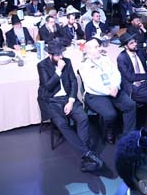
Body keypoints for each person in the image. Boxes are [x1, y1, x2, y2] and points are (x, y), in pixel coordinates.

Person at [37, 41, 104, 172]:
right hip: (52, 100)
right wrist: (58, 71)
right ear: (50, 55)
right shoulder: (42, 65)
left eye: (61, 53)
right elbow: (48, 86)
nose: (61, 57)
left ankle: (86, 156)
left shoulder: (67, 61)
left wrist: (71, 101)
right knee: (62, 124)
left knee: (83, 118)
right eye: (57, 55)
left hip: (68, 98)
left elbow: (73, 81)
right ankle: (87, 153)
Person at [79, 38, 136, 144]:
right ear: (88, 50)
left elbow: (116, 73)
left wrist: (115, 86)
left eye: (99, 46)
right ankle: (109, 130)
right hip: (96, 94)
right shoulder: (84, 64)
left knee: (130, 105)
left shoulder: (105, 58)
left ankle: (128, 135)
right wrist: (107, 91)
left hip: (113, 89)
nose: (99, 48)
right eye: (96, 47)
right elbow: (91, 84)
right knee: (110, 114)